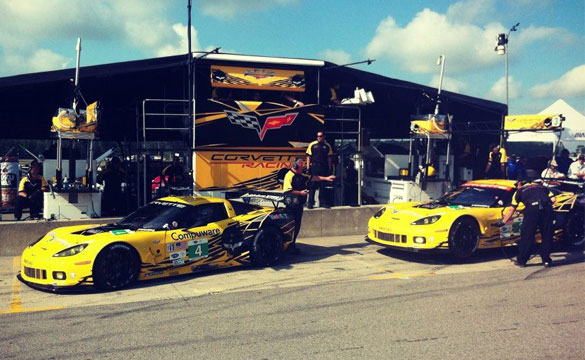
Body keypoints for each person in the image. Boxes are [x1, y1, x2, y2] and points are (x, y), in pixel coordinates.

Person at [497, 179, 556, 267]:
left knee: (527, 235)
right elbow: (553, 199)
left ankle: (522, 260)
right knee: (547, 235)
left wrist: (503, 222)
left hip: (532, 211)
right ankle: (546, 260)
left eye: (516, 185)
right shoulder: (542, 187)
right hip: (547, 209)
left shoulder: (518, 192)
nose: (516, 186)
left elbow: (511, 209)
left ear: (520, 184)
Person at [283, 159, 335, 249]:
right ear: (295, 167)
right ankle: (288, 245)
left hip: (299, 205)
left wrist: (326, 178)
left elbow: (314, 177)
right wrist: (300, 193)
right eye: (300, 168)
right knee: (290, 226)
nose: (301, 169)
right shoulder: (289, 175)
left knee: (297, 226)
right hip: (291, 205)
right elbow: (287, 190)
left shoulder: (301, 175)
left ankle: (292, 244)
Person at [306, 131, 333, 209]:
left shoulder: (327, 145)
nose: (319, 137)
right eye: (318, 136)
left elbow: (329, 157)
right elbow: (308, 156)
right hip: (314, 166)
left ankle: (323, 203)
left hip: (323, 167)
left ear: (324, 136)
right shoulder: (312, 144)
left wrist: (330, 167)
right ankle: (310, 203)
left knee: (323, 185)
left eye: (320, 136)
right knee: (312, 185)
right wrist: (308, 167)